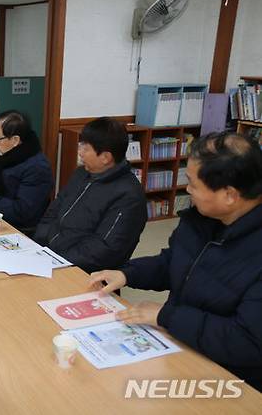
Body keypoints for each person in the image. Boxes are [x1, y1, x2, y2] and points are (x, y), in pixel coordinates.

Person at [90, 132, 262, 391]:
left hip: (229, 379)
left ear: (229, 194)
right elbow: (175, 262)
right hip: (180, 345)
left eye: (193, 184)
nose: (187, 190)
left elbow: (246, 342)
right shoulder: (202, 219)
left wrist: (166, 316)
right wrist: (128, 274)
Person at [33, 117, 147, 273]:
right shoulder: (81, 174)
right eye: (81, 145)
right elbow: (54, 209)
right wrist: (38, 244)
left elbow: (103, 251)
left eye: (86, 149)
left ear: (105, 157)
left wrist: (56, 261)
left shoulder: (129, 196)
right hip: (48, 257)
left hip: (79, 271)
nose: (80, 153)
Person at [0, 103, 53, 232]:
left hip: (19, 230)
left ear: (15, 140)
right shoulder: (8, 153)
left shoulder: (37, 167)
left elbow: (21, 212)